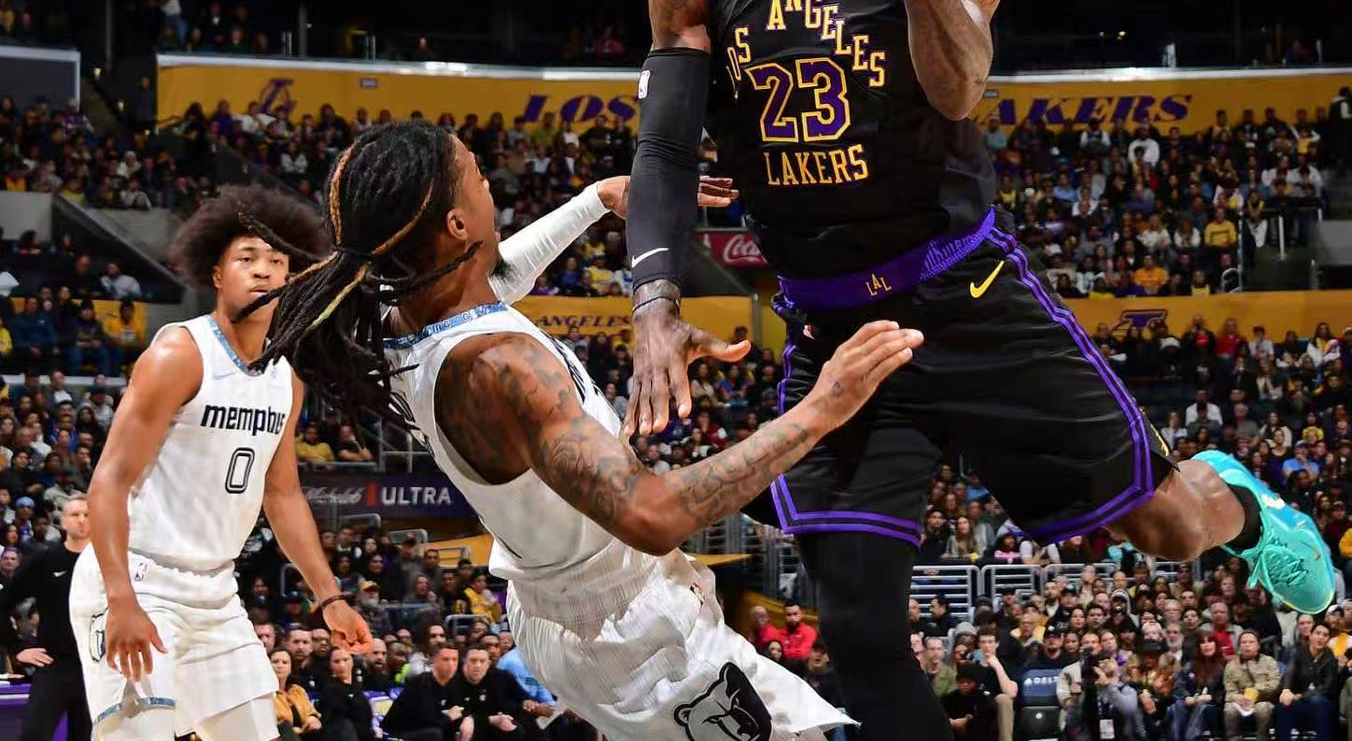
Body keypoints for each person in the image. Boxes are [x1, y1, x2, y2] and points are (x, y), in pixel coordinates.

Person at [622, 0, 1335, 741]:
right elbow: (662, 152)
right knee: (858, 636)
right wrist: (654, 303)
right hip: (835, 333)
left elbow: (959, 92)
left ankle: (1245, 507)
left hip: (964, 298)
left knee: (1172, 529)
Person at [249, 122, 919, 741]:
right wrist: (820, 409)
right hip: (633, 637)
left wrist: (597, 199)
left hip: (563, 612)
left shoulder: (401, 319)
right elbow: (652, 515)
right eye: (478, 175)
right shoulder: (502, 365)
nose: (490, 186)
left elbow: (498, 273)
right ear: (456, 225)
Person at [71, 186, 372, 741]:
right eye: (247, 258)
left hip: (215, 593)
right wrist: (120, 599)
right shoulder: (180, 353)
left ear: (292, 277)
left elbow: (282, 495)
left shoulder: (286, 376)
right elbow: (109, 480)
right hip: (139, 577)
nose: (263, 270)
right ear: (216, 274)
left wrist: (330, 598)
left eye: (276, 261)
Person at [0, 496, 90, 741]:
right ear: (63, 522)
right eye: (75, 515)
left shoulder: (110, 563)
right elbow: (3, 605)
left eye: (88, 514)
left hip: (96, 669)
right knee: (33, 735)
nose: (82, 520)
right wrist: (17, 649)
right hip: (54, 665)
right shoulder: (44, 562)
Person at [382, 642, 463, 741]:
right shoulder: (423, 683)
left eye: (454, 660)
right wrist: (448, 717)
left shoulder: (454, 684)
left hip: (421, 731)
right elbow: (426, 721)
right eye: (445, 659)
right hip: (398, 733)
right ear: (433, 661)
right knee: (435, 733)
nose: (451, 664)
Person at [1277, 621, 1339, 741]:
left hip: (1322, 702)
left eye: (1325, 635)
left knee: (1317, 700)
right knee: (1284, 705)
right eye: (1318, 633)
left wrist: (1302, 695)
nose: (1321, 637)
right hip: (1300, 702)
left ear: (1328, 639)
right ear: (1310, 635)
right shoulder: (1299, 652)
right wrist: (1286, 690)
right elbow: (1290, 671)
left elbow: (1327, 687)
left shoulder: (1330, 657)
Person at [319, 645, 379, 741]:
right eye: (336, 661)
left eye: (345, 660)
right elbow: (336, 725)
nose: (342, 665)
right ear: (330, 665)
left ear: (352, 662)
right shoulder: (330, 691)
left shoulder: (357, 688)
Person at [271, 648, 322, 738]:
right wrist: (298, 730)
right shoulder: (265, 695)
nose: (280, 666)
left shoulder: (297, 690)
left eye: (285, 662)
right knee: (285, 728)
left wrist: (312, 720)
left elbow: (310, 713)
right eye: (275, 662)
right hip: (279, 737)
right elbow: (274, 725)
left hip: (304, 735)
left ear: (291, 668)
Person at [942, 663, 997, 741]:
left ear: (975, 683)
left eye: (969, 682)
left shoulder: (983, 698)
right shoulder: (949, 698)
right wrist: (951, 722)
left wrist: (967, 720)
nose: (965, 685)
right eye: (962, 682)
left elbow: (986, 717)